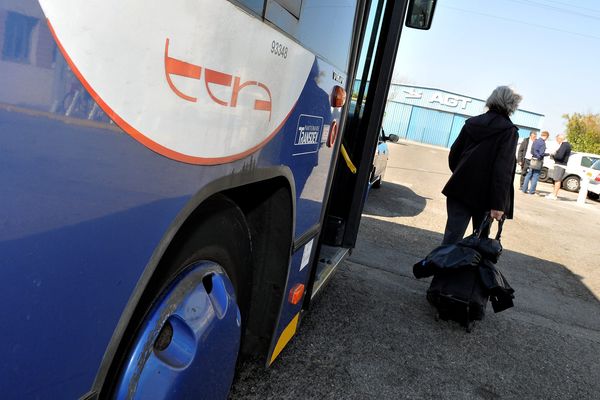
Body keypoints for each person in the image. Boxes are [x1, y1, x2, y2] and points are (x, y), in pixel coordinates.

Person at [441, 86, 521, 245]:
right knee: (479, 242)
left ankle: (442, 269)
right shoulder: (509, 131)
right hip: (486, 197)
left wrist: (461, 173)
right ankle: (467, 270)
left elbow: (454, 153)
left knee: (451, 238)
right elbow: (503, 170)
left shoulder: (471, 123)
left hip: (459, 189)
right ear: (512, 105)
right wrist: (498, 204)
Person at [546, 134, 572, 200]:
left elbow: (560, 156)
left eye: (557, 139)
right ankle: (553, 194)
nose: (557, 141)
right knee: (557, 180)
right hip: (561, 164)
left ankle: (554, 195)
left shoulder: (564, 145)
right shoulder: (567, 144)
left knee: (557, 180)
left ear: (560, 138)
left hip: (560, 164)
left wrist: (554, 154)